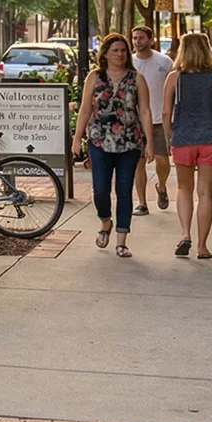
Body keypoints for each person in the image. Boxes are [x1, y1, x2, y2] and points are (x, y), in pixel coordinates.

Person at [162, 32, 212, 259]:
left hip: (183, 138)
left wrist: (168, 139)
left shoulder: (174, 78)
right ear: (207, 49)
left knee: (183, 188)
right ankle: (202, 246)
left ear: (182, 50)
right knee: (206, 193)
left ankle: (185, 234)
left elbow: (166, 112)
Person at [73, 34, 151, 258]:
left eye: (123, 51)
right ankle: (105, 221)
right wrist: (77, 138)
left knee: (124, 190)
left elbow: (144, 111)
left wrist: (149, 143)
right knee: (100, 190)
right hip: (99, 140)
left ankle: (121, 240)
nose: (120, 54)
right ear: (105, 53)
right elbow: (86, 109)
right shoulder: (94, 77)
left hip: (129, 141)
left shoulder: (137, 79)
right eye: (115, 50)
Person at [129, 26, 175, 218]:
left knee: (162, 160)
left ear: (151, 40)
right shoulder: (128, 61)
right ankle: (141, 203)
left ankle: (162, 186)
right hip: (135, 121)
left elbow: (173, 88)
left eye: (141, 38)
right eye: (134, 38)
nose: (137, 41)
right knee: (138, 163)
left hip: (159, 118)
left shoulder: (164, 62)